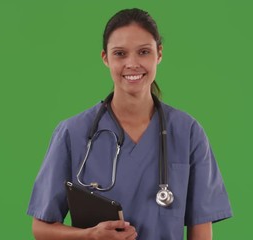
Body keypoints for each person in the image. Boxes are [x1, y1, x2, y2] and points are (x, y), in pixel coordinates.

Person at [27, 8, 232, 240]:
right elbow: (41, 229)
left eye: (144, 52)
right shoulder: (72, 133)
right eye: (120, 54)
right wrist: (90, 235)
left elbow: (201, 231)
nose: (132, 64)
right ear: (105, 58)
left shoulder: (188, 132)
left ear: (159, 54)